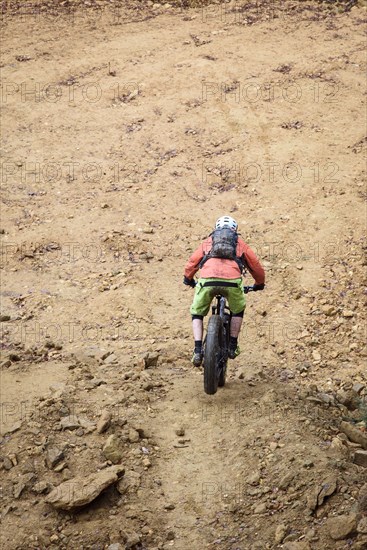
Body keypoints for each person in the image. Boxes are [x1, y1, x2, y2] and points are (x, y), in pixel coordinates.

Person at [183, 215, 265, 366]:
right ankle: (233, 346)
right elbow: (256, 266)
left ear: (216, 229)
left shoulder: (208, 242)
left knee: (197, 312)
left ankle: (197, 349)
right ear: (235, 230)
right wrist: (259, 283)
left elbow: (192, 262)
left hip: (207, 281)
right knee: (238, 309)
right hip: (232, 282)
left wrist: (188, 278)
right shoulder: (240, 244)